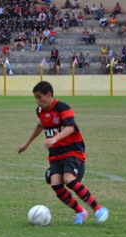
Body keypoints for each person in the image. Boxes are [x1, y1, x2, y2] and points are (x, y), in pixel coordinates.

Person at [18, 81, 109, 225]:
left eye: (39, 97)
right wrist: (27, 143)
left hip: (72, 150)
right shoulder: (40, 111)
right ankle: (80, 211)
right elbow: (40, 125)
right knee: (55, 184)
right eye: (35, 98)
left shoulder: (63, 108)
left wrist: (54, 138)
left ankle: (98, 209)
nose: (38, 101)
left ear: (49, 95)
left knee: (68, 179)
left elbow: (70, 128)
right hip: (55, 154)